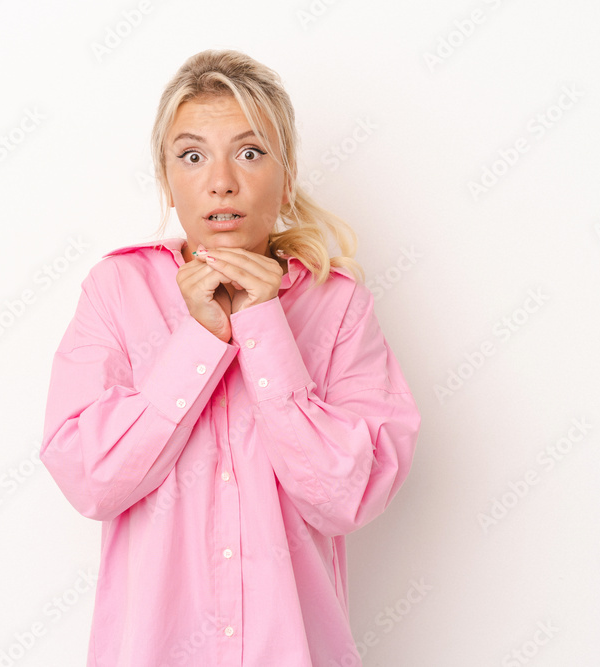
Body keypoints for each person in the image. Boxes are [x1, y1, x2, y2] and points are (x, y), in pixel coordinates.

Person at [41, 48, 421, 666]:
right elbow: (90, 479)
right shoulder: (117, 290)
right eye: (192, 156)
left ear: (287, 173)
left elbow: (348, 495)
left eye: (249, 152)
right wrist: (200, 342)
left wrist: (262, 326)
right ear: (167, 180)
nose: (221, 181)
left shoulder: (339, 306)